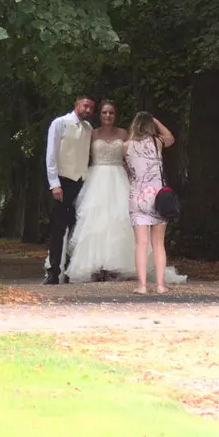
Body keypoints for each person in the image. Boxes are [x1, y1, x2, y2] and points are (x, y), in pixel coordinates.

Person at [61, 100, 136, 281]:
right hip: (96, 178)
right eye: (104, 113)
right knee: (95, 220)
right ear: (100, 115)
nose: (108, 116)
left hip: (118, 178)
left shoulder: (124, 133)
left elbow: (131, 158)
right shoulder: (92, 133)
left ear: (115, 115)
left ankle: (116, 265)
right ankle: (95, 265)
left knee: (118, 220)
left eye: (111, 113)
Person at [44, 94, 95, 285]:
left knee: (77, 228)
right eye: (85, 106)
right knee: (58, 228)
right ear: (76, 105)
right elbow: (51, 155)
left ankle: (71, 270)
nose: (88, 110)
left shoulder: (89, 128)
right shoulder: (60, 123)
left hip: (81, 182)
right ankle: (53, 271)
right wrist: (54, 183)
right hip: (62, 181)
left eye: (91, 107)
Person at [125, 111, 176, 295]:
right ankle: (161, 285)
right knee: (158, 244)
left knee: (141, 243)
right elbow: (170, 138)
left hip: (137, 198)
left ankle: (142, 285)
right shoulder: (158, 143)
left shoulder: (126, 146)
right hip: (158, 198)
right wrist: (156, 120)